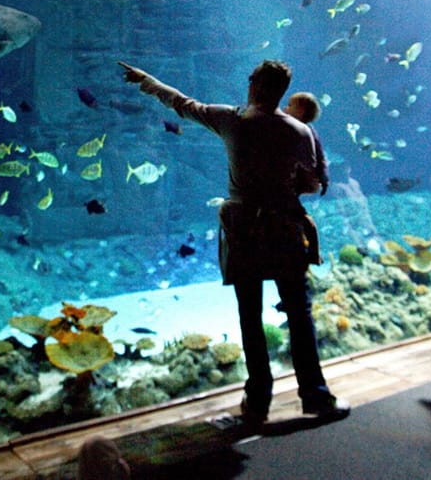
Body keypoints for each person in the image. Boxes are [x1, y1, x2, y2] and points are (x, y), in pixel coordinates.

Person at [118, 59, 348, 423]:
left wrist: (147, 80)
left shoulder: (232, 120)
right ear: (281, 91)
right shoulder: (299, 132)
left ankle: (257, 403)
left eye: (251, 78)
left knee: (250, 315)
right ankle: (316, 397)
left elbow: (182, 103)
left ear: (256, 84)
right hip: (286, 227)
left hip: (245, 230)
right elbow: (313, 184)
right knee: (299, 315)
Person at [284, 90, 330, 265]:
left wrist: (323, 178)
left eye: (289, 105)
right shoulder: (289, 126)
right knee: (294, 212)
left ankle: (313, 253)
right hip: (295, 180)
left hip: (303, 179)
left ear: (301, 112)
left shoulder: (306, 130)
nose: (285, 108)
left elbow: (320, 156)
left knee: (298, 213)